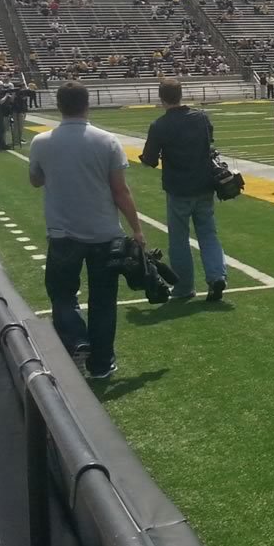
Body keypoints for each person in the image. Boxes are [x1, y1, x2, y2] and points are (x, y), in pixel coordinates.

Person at [28, 81, 144, 380]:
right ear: (87, 104)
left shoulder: (41, 142)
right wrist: (137, 229)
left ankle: (78, 339)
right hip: (104, 232)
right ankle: (101, 363)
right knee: (103, 300)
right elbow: (120, 191)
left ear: (58, 105)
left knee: (61, 294)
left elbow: (36, 181)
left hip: (63, 232)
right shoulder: (107, 141)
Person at [139, 77, 227, 303]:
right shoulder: (201, 118)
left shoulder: (159, 125)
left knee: (179, 240)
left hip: (178, 188)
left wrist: (147, 157)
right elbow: (210, 144)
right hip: (204, 185)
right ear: (181, 94)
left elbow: (149, 159)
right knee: (208, 234)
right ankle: (217, 275)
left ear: (161, 98)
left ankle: (184, 287)